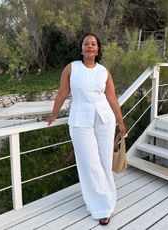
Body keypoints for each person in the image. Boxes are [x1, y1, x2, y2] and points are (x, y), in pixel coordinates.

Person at [47, 33, 126, 225]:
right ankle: (101, 207)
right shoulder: (71, 68)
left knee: (104, 162)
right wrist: (54, 114)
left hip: (104, 120)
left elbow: (112, 98)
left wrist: (121, 122)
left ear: (98, 49)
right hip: (80, 120)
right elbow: (62, 93)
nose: (89, 46)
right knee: (89, 163)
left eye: (93, 44)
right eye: (86, 43)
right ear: (81, 49)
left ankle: (107, 200)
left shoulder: (104, 71)